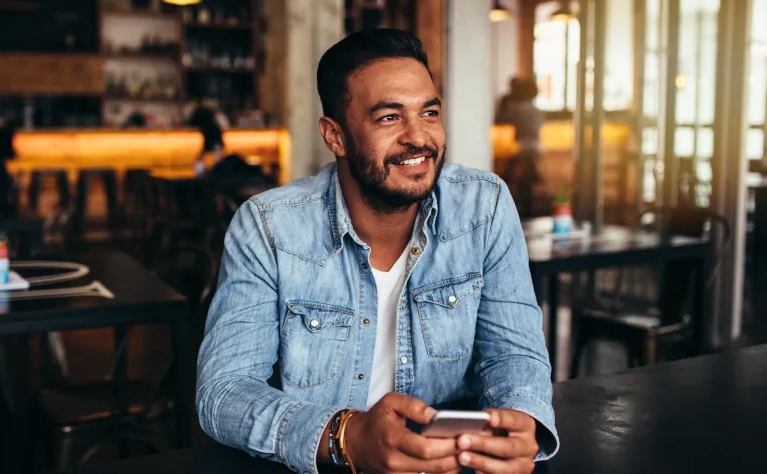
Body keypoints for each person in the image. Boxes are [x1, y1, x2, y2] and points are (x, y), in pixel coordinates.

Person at [197, 29, 559, 474]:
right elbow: (224, 392)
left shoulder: (483, 206)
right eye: (389, 118)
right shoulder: (269, 227)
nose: (418, 138)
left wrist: (521, 421)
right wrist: (345, 436)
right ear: (336, 136)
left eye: (429, 112)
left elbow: (514, 353)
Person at [495, 77, 544, 217]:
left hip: (521, 146)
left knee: (516, 176)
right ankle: (527, 205)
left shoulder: (516, 109)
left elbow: (501, 119)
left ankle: (517, 206)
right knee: (526, 176)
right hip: (536, 146)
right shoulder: (537, 111)